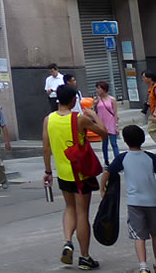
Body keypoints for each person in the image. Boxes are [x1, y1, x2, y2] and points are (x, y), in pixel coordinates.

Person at [44, 84, 107, 270]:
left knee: (69, 207)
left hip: (62, 173)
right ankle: (85, 257)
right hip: (80, 174)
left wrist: (48, 171)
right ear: (73, 100)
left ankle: (67, 241)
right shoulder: (79, 119)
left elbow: (46, 148)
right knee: (82, 214)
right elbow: (104, 133)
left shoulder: (48, 119)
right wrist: (94, 115)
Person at [101, 124, 156, 273]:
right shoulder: (151, 157)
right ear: (143, 139)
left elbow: (107, 172)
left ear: (125, 141)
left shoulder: (122, 158)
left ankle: (143, 266)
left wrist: (102, 187)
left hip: (134, 203)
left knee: (139, 236)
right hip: (153, 201)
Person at [95, 81, 121, 164]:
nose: (98, 90)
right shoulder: (97, 100)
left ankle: (118, 161)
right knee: (104, 144)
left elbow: (115, 112)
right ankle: (106, 161)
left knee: (114, 143)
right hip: (102, 124)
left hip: (111, 123)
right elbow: (92, 112)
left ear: (104, 89)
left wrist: (116, 125)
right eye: (97, 88)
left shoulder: (112, 99)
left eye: (99, 88)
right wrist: (93, 104)